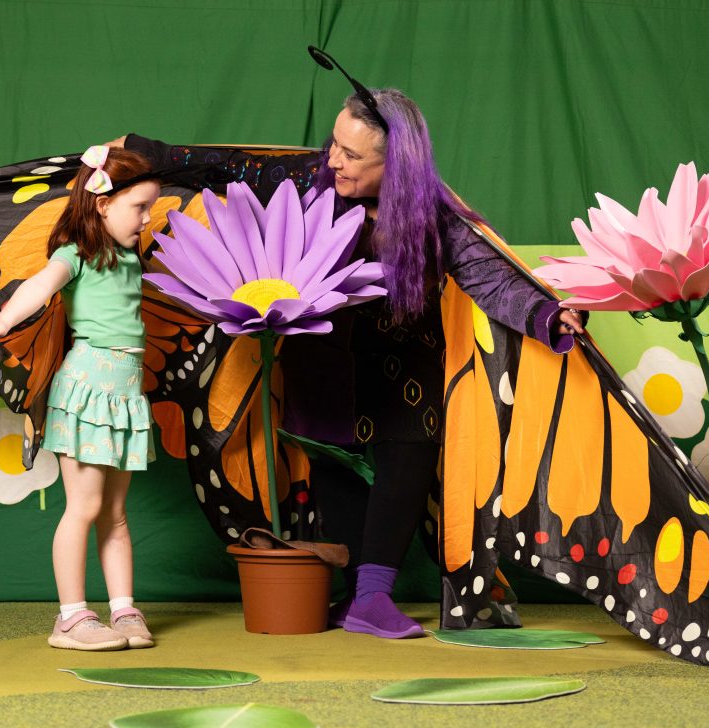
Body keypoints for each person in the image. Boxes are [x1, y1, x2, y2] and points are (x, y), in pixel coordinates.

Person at [114, 87, 585, 640]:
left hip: (404, 371)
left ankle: (372, 597)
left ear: (398, 165)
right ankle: (352, 597)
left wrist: (547, 316)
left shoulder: (437, 218)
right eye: (334, 144)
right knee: (335, 465)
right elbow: (223, 166)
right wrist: (140, 150)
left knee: (407, 459)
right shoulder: (310, 180)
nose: (333, 159)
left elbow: (491, 277)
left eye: (352, 155)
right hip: (326, 367)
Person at [0, 146, 161, 651]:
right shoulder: (75, 253)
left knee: (116, 513)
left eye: (150, 208)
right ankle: (72, 617)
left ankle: (123, 609)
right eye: (138, 207)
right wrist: (8, 319)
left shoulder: (129, 257)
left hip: (124, 391)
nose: (146, 220)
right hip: (86, 390)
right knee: (83, 506)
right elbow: (42, 285)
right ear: (102, 203)